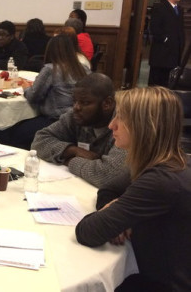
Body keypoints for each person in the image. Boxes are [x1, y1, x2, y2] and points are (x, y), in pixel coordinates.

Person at [75, 86, 191, 291]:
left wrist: (115, 214)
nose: (112, 125)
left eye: (121, 118)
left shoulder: (161, 180)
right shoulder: (165, 160)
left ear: (144, 126)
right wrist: (118, 218)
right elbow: (108, 190)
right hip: (146, 267)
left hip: (159, 283)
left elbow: (87, 232)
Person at [30, 73, 130, 190]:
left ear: (107, 104)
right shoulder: (75, 116)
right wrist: (72, 150)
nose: (76, 107)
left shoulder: (125, 126)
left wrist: (71, 161)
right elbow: (39, 142)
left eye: (85, 103)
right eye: (74, 101)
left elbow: (108, 176)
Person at [148, 0, 185, 87]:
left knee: (168, 83)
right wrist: (165, 39)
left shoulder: (180, 10)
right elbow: (154, 27)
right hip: (161, 52)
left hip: (174, 52)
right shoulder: (160, 7)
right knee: (157, 83)